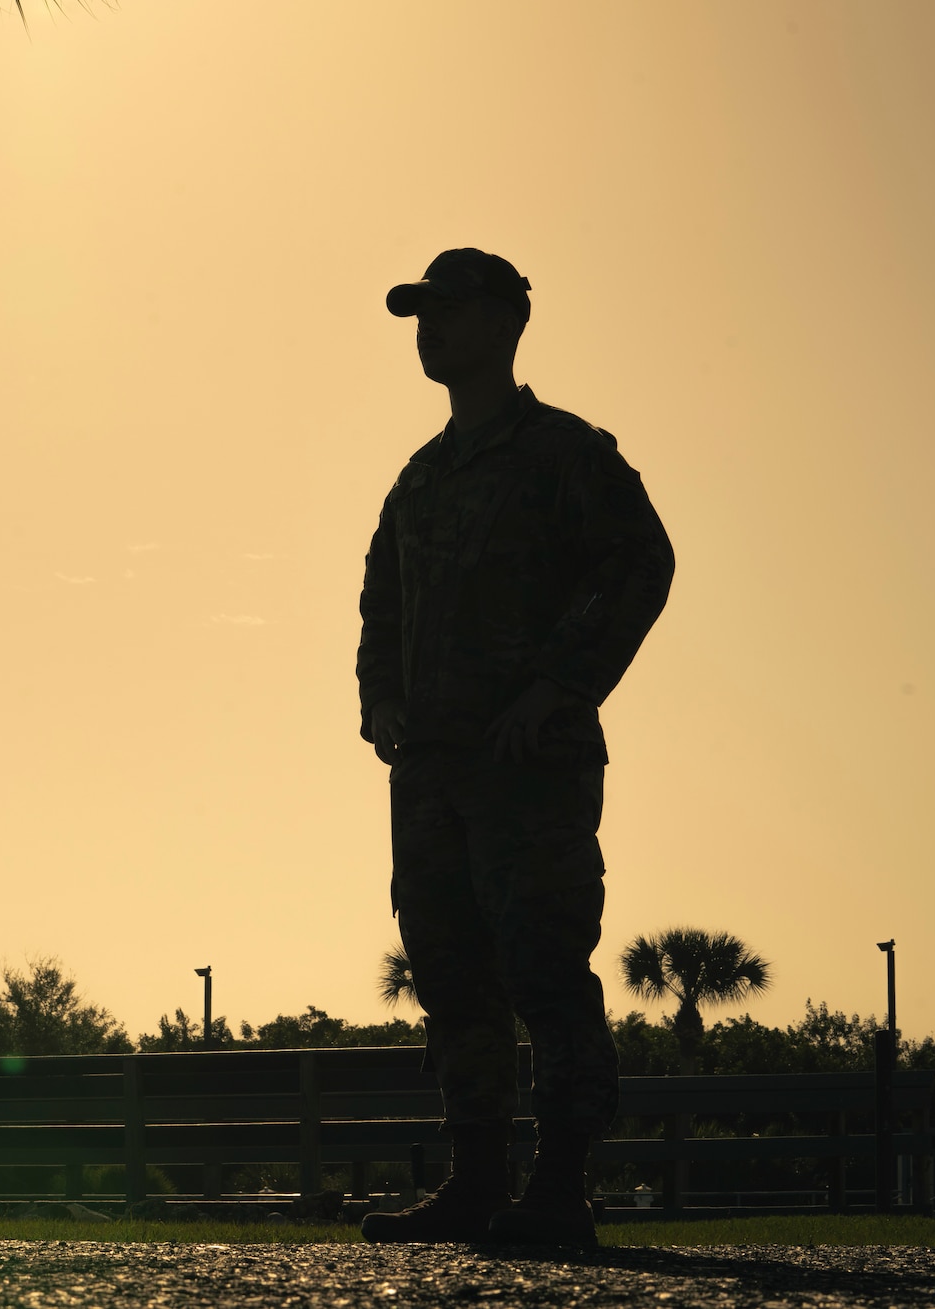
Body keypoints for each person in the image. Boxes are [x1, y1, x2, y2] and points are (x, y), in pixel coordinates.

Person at [355, 249, 674, 1248]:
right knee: (450, 976)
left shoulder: (560, 454)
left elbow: (640, 561)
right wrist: (379, 702)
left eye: (445, 311)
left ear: (502, 323)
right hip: (433, 772)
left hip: (526, 766)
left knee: (542, 965)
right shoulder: (419, 477)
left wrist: (560, 683)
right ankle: (475, 1181)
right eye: (419, 314)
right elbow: (381, 602)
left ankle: (559, 1186)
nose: (427, 328)